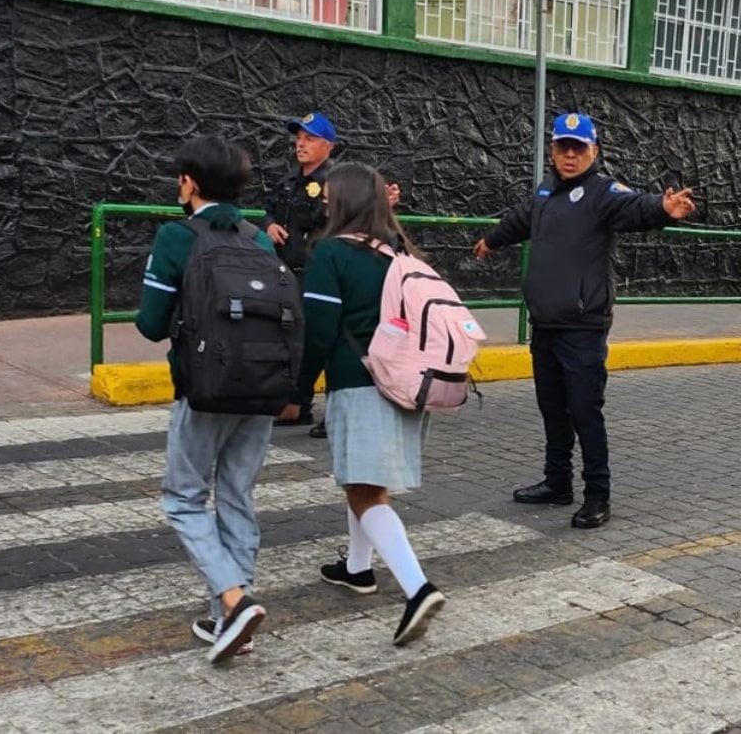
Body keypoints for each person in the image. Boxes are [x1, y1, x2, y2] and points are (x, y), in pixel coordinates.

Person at [472, 112, 696, 530]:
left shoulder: (603, 192)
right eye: (563, 147)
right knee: (552, 409)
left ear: (594, 151)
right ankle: (557, 482)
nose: (570, 154)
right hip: (546, 324)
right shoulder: (544, 191)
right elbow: (521, 219)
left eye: (579, 147)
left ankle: (598, 494)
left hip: (583, 326)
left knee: (584, 411)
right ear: (553, 150)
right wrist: (491, 239)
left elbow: (635, 208)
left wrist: (663, 208)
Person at [277, 162, 445, 647]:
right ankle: (356, 569)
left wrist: (297, 392)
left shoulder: (330, 253)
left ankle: (417, 588)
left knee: (360, 489)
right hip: (406, 385)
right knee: (368, 481)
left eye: (329, 197)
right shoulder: (398, 251)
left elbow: (320, 331)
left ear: (345, 202)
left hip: (359, 382)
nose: (323, 204)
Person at [135, 136, 272, 663]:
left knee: (184, 498)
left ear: (189, 184)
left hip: (204, 387)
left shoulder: (176, 236)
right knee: (237, 493)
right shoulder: (260, 239)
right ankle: (227, 620)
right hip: (260, 388)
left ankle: (234, 602)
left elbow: (150, 325)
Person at [264, 112, 402, 438]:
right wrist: (268, 224)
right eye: (298, 138)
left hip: (321, 272)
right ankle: (297, 403)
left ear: (328, 146)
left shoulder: (339, 183)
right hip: (287, 272)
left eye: (309, 138)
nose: (301, 144)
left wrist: (382, 202)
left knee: (328, 338)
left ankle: (327, 410)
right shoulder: (289, 180)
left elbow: (355, 217)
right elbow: (269, 206)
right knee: (291, 340)